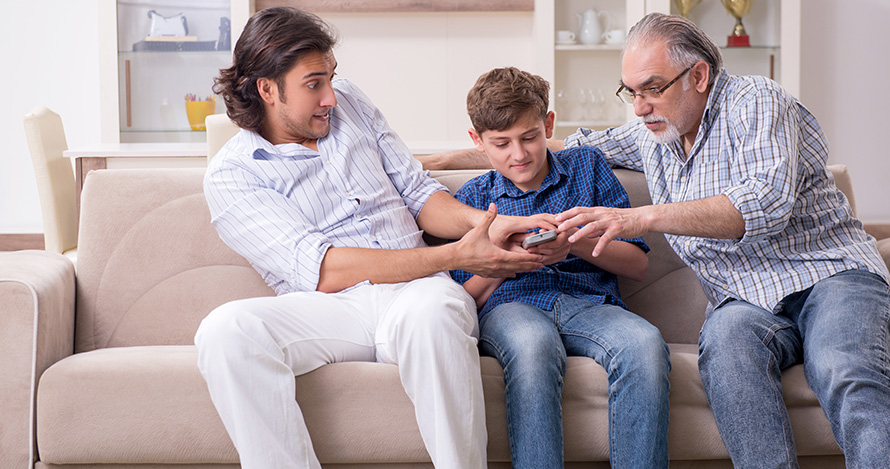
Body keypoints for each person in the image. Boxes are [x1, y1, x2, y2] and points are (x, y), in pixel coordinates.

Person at [195, 7, 548, 469]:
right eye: (313, 84)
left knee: (436, 313)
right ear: (267, 89)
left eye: (331, 78)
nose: (330, 98)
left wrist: (486, 226)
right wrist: (456, 255)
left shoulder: (350, 103)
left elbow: (420, 193)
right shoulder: (231, 175)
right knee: (225, 331)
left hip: (416, 295)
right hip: (330, 309)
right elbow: (322, 269)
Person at [550, 13, 890, 468]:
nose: (639, 106)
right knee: (726, 355)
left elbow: (763, 203)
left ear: (698, 76)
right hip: (743, 300)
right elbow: (559, 149)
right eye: (631, 92)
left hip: (829, 274)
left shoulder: (756, 100)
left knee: (842, 367)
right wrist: (450, 158)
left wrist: (642, 217)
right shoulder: (655, 133)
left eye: (652, 88)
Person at [450, 66, 670, 468]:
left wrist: (575, 243)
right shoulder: (471, 199)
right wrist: (504, 260)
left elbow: (637, 264)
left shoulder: (588, 167)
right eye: (501, 144)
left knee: (644, 343)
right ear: (477, 142)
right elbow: (460, 300)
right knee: (533, 347)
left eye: (530, 138)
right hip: (511, 307)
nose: (519, 154)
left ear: (548, 124)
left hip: (589, 304)